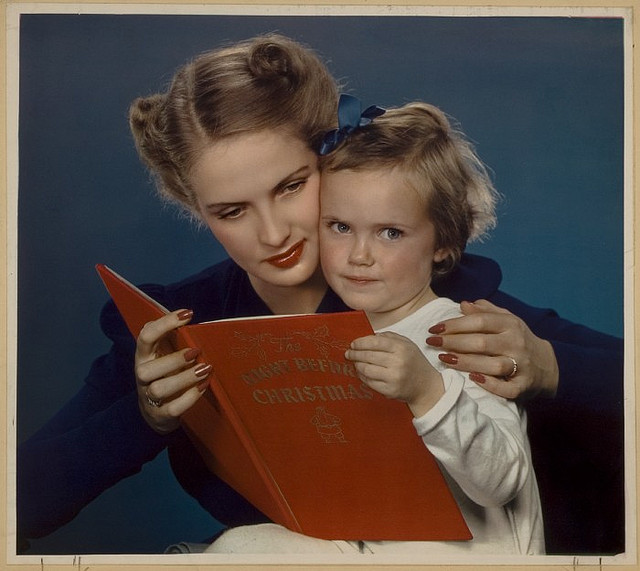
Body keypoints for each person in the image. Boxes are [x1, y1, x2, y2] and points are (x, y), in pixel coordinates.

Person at [16, 34, 623, 555]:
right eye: (231, 211)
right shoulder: (175, 326)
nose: (274, 233)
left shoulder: (421, 287)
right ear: (193, 208)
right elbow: (23, 503)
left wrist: (549, 366)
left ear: (333, 157)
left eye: (291, 186)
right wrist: (146, 417)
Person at [205, 97, 544, 555]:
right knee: (241, 546)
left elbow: (500, 481)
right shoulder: (335, 333)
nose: (359, 255)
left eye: (390, 233)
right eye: (340, 227)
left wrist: (428, 391)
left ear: (443, 242)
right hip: (369, 548)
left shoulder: (461, 334)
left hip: (468, 558)